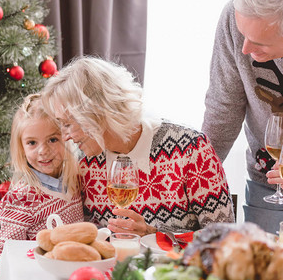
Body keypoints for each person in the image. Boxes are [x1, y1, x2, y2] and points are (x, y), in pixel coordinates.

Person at [41, 56, 235, 237]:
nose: (65, 137)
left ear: (96, 114)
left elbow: (223, 237)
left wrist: (153, 234)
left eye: (67, 124)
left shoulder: (190, 149)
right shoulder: (86, 163)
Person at [201, 0, 283, 234]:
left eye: (258, 42)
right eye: (242, 34)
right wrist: (200, 171)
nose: (244, 49)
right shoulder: (233, 16)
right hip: (266, 180)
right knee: (261, 266)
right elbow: (223, 105)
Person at [0, 94, 83, 277]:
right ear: (21, 148)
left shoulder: (73, 180)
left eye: (52, 139)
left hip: (72, 276)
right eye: (32, 143)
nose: (43, 151)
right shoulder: (22, 197)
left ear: (66, 138)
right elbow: (4, 255)